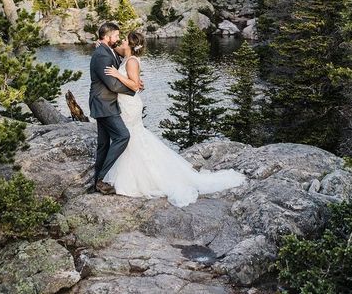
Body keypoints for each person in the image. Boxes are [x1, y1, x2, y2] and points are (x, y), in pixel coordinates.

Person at [102, 30, 247, 207]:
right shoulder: (128, 57)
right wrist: (100, 44)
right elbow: (117, 56)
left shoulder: (131, 61)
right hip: (125, 103)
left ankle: (142, 178)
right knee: (132, 137)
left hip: (129, 105)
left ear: (131, 45)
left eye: (124, 41)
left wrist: (117, 75)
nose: (121, 43)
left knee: (132, 136)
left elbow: (134, 86)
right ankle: (136, 175)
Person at [89, 21, 144, 194]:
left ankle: (98, 180)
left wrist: (134, 82)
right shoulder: (102, 55)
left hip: (107, 103)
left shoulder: (109, 50)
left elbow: (124, 58)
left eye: (121, 37)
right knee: (123, 136)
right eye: (117, 36)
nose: (119, 39)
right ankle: (102, 178)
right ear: (107, 37)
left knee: (104, 144)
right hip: (105, 103)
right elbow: (112, 84)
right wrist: (134, 88)